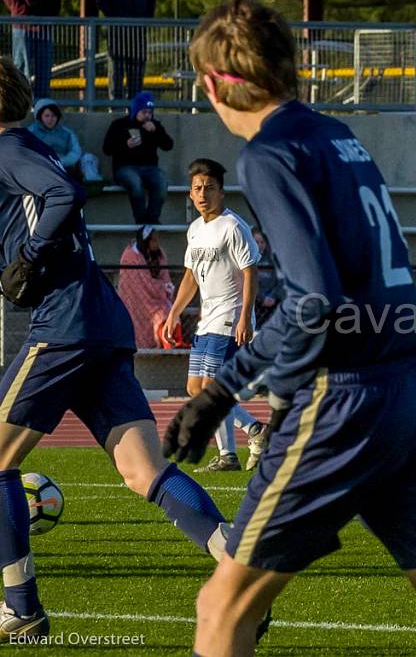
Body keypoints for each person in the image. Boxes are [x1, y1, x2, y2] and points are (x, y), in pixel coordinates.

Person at [164, 0, 416, 657]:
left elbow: (313, 297)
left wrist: (221, 390)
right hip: (412, 388)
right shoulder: (336, 133)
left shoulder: (271, 152)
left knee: (222, 606)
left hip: (347, 401)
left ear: (214, 83)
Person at [0, 56, 228, 641]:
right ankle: (237, 561)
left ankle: (21, 608)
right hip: (99, 321)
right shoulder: (28, 145)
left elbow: (61, 193)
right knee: (144, 471)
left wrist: (29, 256)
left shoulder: (6, 149)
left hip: (65, 324)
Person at [163, 158, 267, 473]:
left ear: (221, 192)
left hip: (228, 318)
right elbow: (190, 277)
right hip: (207, 320)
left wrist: (245, 318)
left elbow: (251, 272)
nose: (203, 193)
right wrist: (173, 314)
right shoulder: (195, 229)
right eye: (197, 188)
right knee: (196, 388)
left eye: (209, 187)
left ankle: (231, 452)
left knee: (211, 387)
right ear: (191, 194)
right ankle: (251, 433)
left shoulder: (234, 226)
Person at [102, 90, 172, 224]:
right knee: (135, 182)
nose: (147, 116)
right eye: (144, 112)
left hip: (149, 168)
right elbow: (107, 149)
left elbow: (168, 145)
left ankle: (152, 220)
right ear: (136, 111)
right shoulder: (119, 124)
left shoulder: (155, 126)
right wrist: (125, 145)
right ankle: (141, 220)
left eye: (150, 112)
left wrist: (156, 131)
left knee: (161, 181)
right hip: (125, 168)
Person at [117, 225, 177, 349]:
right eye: (154, 240)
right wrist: (162, 287)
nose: (157, 243)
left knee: (169, 312)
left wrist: (166, 288)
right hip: (137, 299)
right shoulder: (130, 256)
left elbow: (165, 277)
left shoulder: (159, 255)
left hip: (157, 297)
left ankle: (171, 343)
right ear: (146, 241)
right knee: (159, 314)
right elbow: (140, 283)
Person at [96, 0, 155, 101]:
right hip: (117, 33)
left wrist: (144, 22)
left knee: (136, 74)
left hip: (138, 34)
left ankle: (134, 108)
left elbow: (151, 1)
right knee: (116, 71)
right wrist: (115, 18)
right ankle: (116, 108)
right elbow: (101, 0)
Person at [2, 0, 59, 99]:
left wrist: (50, 15)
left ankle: (42, 107)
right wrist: (23, 13)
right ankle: (22, 104)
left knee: (44, 70)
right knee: (22, 69)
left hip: (44, 26)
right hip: (22, 26)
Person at [27, 99, 82, 179]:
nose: (50, 119)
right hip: (39, 167)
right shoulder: (31, 132)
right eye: (47, 116)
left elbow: (75, 152)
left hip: (63, 166)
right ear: (40, 116)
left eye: (53, 116)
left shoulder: (66, 133)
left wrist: (60, 162)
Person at [251, 227, 284, 328]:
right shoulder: (247, 260)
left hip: (273, 303)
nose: (260, 245)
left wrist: (273, 296)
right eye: (257, 242)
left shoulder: (272, 260)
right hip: (255, 306)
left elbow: (280, 281)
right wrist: (261, 298)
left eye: (262, 242)